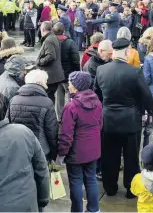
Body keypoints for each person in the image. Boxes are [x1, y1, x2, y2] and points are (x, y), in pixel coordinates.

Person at [95, 37, 153, 199]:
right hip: (131, 121)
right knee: (131, 157)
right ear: (127, 52)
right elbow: (147, 96)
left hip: (108, 121)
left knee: (109, 156)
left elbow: (96, 94)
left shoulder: (101, 71)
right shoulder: (135, 72)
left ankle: (110, 187)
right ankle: (130, 188)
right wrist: (149, 111)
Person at [58, 71, 103, 213]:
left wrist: (61, 153)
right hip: (93, 150)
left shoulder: (71, 107)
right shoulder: (97, 102)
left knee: (76, 182)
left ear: (77, 86)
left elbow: (66, 134)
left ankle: (77, 210)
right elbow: (100, 125)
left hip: (76, 153)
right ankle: (94, 209)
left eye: (71, 83)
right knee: (91, 180)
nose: (69, 86)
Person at [8, 68, 59, 163]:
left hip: (19, 148)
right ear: (40, 83)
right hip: (41, 150)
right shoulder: (46, 102)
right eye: (45, 81)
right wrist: (53, 153)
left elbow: (8, 125)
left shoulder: (14, 100)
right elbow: (51, 131)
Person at [36, 21, 66, 115]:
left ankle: (48, 116)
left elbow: (51, 56)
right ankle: (51, 115)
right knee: (50, 97)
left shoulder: (49, 40)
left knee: (47, 97)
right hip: (55, 75)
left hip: (51, 76)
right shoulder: (53, 37)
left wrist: (39, 62)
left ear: (43, 29)